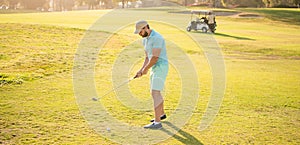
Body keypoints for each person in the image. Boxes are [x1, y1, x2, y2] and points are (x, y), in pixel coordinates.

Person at [134, 20, 168, 129]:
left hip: (161, 67)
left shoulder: (157, 38)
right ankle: (161, 114)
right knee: (154, 92)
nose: (139, 34)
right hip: (154, 67)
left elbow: (155, 58)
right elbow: (147, 57)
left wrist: (146, 69)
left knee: (155, 93)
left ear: (145, 28)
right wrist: (141, 70)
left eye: (140, 31)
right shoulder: (145, 40)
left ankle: (157, 123)